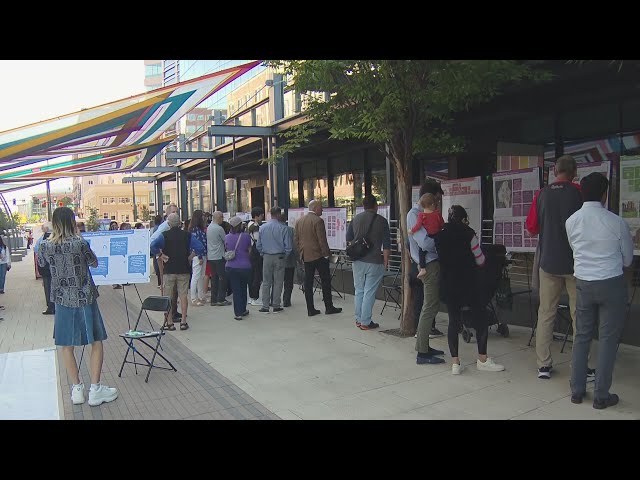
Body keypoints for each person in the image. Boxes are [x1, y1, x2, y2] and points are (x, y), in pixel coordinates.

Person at [38, 207, 118, 407]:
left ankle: (77, 389)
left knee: (66, 344)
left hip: (61, 299)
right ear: (72, 222)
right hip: (84, 297)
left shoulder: (46, 245)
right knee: (96, 341)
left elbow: (41, 264)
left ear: (54, 223)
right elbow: (94, 263)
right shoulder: (79, 242)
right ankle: (95, 389)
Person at [566, 173, 633, 409]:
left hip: (583, 282)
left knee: (582, 335)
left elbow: (575, 249)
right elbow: (627, 261)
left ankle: (577, 390)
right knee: (607, 339)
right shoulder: (616, 222)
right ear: (605, 194)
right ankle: (602, 395)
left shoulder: (571, 221)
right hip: (611, 283)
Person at [526, 154, 595, 380]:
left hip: (548, 262)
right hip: (576, 263)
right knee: (579, 315)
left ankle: (543, 365)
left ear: (555, 171)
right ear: (574, 172)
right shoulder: (579, 193)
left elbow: (531, 229)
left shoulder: (541, 194)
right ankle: (580, 367)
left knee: (546, 314)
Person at [435, 205, 505, 374]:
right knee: (480, 318)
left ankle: (455, 363)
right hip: (469, 283)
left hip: (448, 284)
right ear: (464, 218)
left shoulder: (440, 235)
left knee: (453, 321)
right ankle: (482, 359)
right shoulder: (469, 233)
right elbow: (480, 259)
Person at [150, 213, 205, 331]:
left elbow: (153, 245)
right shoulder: (187, 235)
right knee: (183, 295)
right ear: (180, 223)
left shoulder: (164, 236)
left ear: (169, 224)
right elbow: (200, 247)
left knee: (168, 296)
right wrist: (192, 256)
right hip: (183, 269)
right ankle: (184, 322)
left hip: (169, 270)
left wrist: (161, 254)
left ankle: (169, 322)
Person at [407, 180, 445, 344]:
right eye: (436, 200)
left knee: (431, 305)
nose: (437, 204)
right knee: (429, 307)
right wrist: (442, 245)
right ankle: (422, 349)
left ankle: (424, 347)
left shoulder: (427, 213)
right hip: (427, 264)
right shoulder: (415, 214)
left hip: (431, 262)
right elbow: (425, 242)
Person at [346, 194, 390, 330]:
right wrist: (386, 261)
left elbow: (349, 239)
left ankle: (359, 319)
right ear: (376, 206)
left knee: (359, 290)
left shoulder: (355, 219)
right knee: (369, 291)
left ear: (363, 206)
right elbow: (387, 245)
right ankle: (366, 321)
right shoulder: (382, 221)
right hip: (375, 261)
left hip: (358, 260)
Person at [294, 199, 342, 317]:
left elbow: (296, 239)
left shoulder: (299, 221)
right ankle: (328, 306)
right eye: (321, 207)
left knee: (308, 282)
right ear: (315, 208)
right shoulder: (318, 221)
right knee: (325, 280)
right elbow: (322, 240)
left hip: (306, 255)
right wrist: (328, 255)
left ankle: (310, 309)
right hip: (319, 255)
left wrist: (301, 252)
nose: (322, 209)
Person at [257, 207, 291, 314]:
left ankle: (265, 306)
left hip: (266, 256)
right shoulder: (283, 228)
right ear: (278, 214)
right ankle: (276, 305)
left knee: (266, 282)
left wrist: (262, 253)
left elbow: (258, 245)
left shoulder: (262, 228)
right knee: (278, 281)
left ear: (270, 214)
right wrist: (285, 256)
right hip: (279, 256)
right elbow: (288, 247)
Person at [151, 204, 182, 321]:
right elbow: (152, 241)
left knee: (175, 288)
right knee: (169, 287)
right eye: (173, 212)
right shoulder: (165, 226)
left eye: (177, 212)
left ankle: (174, 311)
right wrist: (160, 254)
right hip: (166, 259)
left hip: (173, 258)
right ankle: (170, 314)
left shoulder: (173, 226)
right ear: (167, 214)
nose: (175, 214)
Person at [410, 193, 445, 280]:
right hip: (437, 235)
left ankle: (422, 268)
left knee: (421, 251)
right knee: (440, 249)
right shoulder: (437, 214)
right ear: (433, 204)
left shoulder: (421, 215)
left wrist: (411, 230)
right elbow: (442, 224)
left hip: (429, 235)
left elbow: (418, 226)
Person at [225, 216, 252, 320]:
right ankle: (243, 309)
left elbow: (227, 248)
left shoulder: (227, 237)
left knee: (236, 289)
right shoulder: (246, 236)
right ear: (240, 225)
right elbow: (249, 250)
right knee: (243, 288)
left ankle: (238, 313)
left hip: (231, 266)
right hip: (245, 266)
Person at [207, 211, 230, 306]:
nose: (222, 219)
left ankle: (213, 299)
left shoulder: (209, 227)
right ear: (218, 218)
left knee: (214, 278)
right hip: (219, 256)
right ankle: (221, 298)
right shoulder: (219, 229)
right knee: (222, 278)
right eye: (222, 217)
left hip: (211, 256)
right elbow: (225, 241)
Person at [188, 210, 208, 306]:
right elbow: (196, 244)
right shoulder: (195, 229)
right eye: (203, 216)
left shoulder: (199, 228)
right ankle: (193, 298)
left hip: (203, 254)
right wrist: (199, 256)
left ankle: (201, 296)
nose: (205, 217)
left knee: (201, 276)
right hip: (198, 255)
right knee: (196, 276)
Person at [35, 222, 55, 314]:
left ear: (47, 229)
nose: (42, 229)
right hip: (57, 270)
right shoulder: (58, 237)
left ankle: (51, 307)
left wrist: (41, 267)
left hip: (47, 269)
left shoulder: (43, 240)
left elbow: (37, 250)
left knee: (48, 288)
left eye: (43, 227)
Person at [247, 207, 265, 306]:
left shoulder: (249, 224)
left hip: (251, 253)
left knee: (252, 275)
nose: (262, 217)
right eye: (261, 215)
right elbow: (258, 241)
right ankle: (255, 297)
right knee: (257, 276)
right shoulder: (255, 227)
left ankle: (251, 297)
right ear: (257, 216)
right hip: (256, 253)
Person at [281, 214, 299, 307]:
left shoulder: (272, 229)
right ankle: (286, 300)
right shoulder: (291, 230)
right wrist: (298, 257)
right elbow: (295, 246)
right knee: (288, 281)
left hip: (276, 258)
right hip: (289, 260)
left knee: (277, 281)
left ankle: (274, 299)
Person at [151, 214, 163, 288]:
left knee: (157, 266)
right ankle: (160, 282)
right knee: (160, 267)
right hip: (159, 249)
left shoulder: (153, 229)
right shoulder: (159, 228)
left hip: (155, 249)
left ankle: (159, 282)